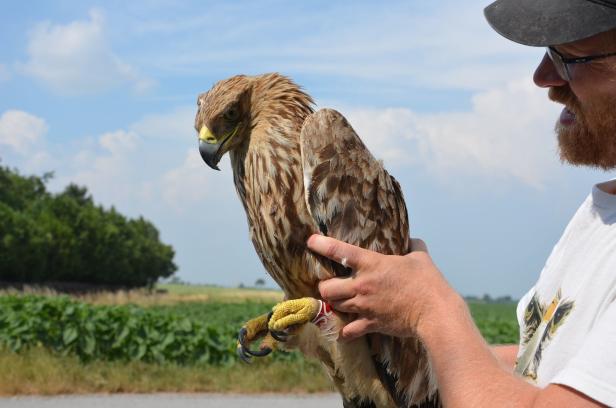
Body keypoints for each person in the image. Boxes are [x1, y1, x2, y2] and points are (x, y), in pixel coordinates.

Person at [307, 1, 616, 406]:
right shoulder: (601, 215)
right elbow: (541, 371)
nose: (543, 77)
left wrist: (431, 311)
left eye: (570, 57)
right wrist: (398, 335)